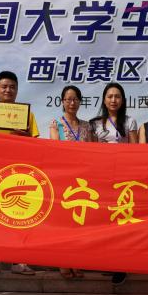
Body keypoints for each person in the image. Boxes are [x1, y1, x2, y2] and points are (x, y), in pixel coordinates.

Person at [0, 71, 38, 275]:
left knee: (19, 217)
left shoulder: (27, 115)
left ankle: (19, 260)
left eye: (12, 87)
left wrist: (26, 137)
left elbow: (36, 144)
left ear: (17, 90)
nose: (8, 90)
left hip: (19, 174)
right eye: (4, 86)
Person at [90, 82, 137, 285]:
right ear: (104, 99)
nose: (113, 100)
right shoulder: (95, 124)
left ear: (123, 100)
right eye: (110, 96)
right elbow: (91, 152)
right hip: (102, 178)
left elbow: (136, 150)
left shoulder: (130, 121)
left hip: (124, 178)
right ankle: (105, 260)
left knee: (122, 220)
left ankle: (121, 265)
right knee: (104, 220)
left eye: (117, 96)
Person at [49, 85, 93, 279]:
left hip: (83, 181)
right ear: (62, 102)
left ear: (80, 102)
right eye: (68, 99)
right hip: (64, 180)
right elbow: (54, 150)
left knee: (80, 223)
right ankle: (63, 261)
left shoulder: (86, 126)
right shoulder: (55, 123)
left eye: (75, 99)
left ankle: (77, 260)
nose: (72, 103)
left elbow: (93, 152)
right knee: (64, 223)